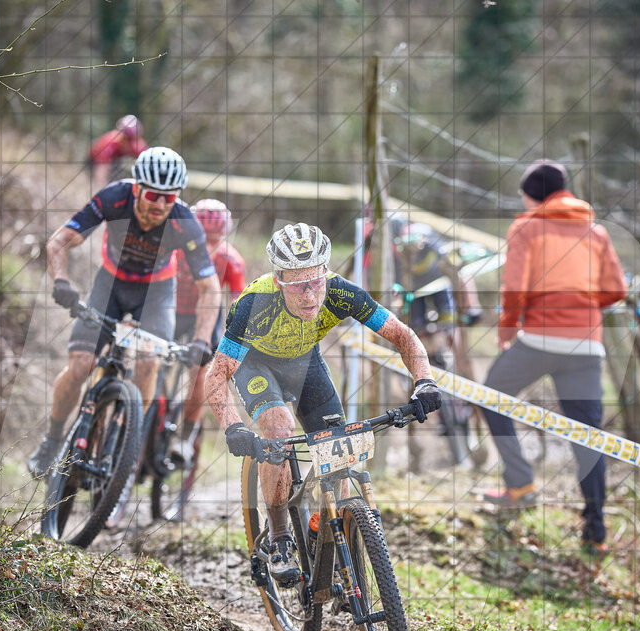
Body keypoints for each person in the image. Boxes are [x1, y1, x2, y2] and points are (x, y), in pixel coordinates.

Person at [205, 222, 442, 587]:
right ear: (279, 279)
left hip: (305, 362)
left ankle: (322, 533)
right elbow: (217, 373)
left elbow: (402, 335)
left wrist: (424, 381)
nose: (310, 295)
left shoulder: (343, 293)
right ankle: (281, 537)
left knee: (339, 452)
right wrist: (233, 425)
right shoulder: (254, 304)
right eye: (298, 285)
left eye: (316, 281)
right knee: (280, 430)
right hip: (257, 364)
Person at [28, 146, 221, 479]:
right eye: (152, 195)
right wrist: (61, 282)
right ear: (136, 189)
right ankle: (53, 439)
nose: (160, 205)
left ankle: (127, 440)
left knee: (148, 364)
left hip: (157, 293)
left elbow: (210, 288)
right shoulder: (114, 198)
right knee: (79, 367)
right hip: (110, 286)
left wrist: (203, 340)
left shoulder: (184, 221)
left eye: (169, 197)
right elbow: (59, 241)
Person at [481, 159, 628, 557]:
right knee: (586, 435)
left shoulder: (527, 227)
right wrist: (581, 304)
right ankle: (595, 530)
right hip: (587, 346)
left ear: (532, 194)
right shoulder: (594, 231)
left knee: (490, 395)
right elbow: (616, 290)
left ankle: (521, 482)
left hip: (541, 339)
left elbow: (514, 289)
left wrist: (508, 330)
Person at [393, 220, 482, 464]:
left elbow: (462, 277)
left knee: (456, 346)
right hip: (415, 305)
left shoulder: (438, 253)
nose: (412, 255)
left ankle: (466, 413)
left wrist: (472, 309)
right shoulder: (399, 262)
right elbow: (393, 293)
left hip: (441, 298)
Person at [172, 199, 246, 463]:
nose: (208, 247)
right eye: (204, 239)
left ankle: (186, 436)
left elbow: (239, 300)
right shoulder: (177, 248)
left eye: (214, 240)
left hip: (206, 315)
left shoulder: (231, 259)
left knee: (202, 372)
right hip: (172, 309)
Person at [87, 115, 148, 193]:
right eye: (125, 138)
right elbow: (101, 170)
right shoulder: (109, 144)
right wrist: (102, 191)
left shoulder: (137, 146)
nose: (127, 143)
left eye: (131, 140)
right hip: (93, 160)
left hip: (115, 162)